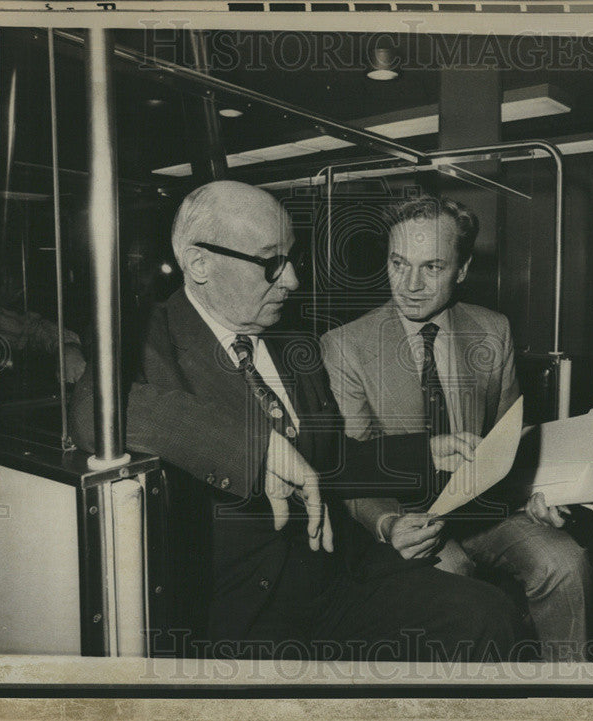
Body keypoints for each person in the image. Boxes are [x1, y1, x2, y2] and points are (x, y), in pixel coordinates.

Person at [69, 181, 519, 662]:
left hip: (333, 577)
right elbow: (96, 409)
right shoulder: (147, 337)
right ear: (200, 263)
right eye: (270, 263)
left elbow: (327, 461)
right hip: (242, 611)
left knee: (489, 615)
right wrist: (255, 447)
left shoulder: (291, 346)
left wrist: (421, 451)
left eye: (290, 260)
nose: (291, 282)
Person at [320, 195, 591, 661]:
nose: (410, 285)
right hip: (411, 516)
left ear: (462, 270)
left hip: (488, 505)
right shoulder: (347, 346)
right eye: (398, 262)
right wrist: (386, 524)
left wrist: (540, 494)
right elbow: (349, 464)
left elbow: (510, 437)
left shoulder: (492, 330)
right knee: (458, 581)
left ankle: (566, 696)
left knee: (568, 564)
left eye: (433, 267)